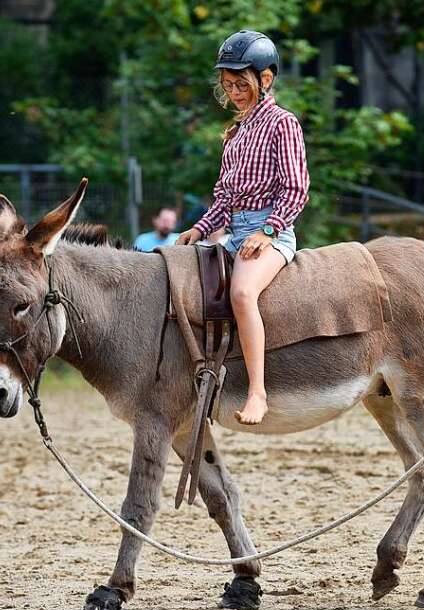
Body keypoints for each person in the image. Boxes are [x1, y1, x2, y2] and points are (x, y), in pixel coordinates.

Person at [175, 30, 309, 425]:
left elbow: (296, 188)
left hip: (273, 231)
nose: (233, 92)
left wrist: (267, 231)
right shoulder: (234, 135)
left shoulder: (282, 124)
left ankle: (258, 393)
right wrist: (198, 230)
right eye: (228, 85)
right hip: (234, 231)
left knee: (242, 292)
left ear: (265, 80)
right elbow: (223, 200)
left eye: (241, 84)